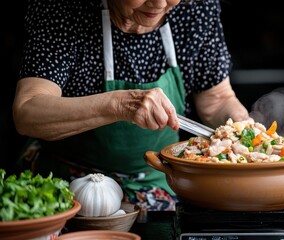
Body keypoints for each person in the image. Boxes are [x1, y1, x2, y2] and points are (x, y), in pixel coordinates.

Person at [12, 0, 249, 211]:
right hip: (67, 192)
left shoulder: (195, 8)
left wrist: (243, 130)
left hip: (161, 187)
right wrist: (120, 105)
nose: (158, 4)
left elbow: (217, 100)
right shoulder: (63, 8)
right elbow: (28, 110)